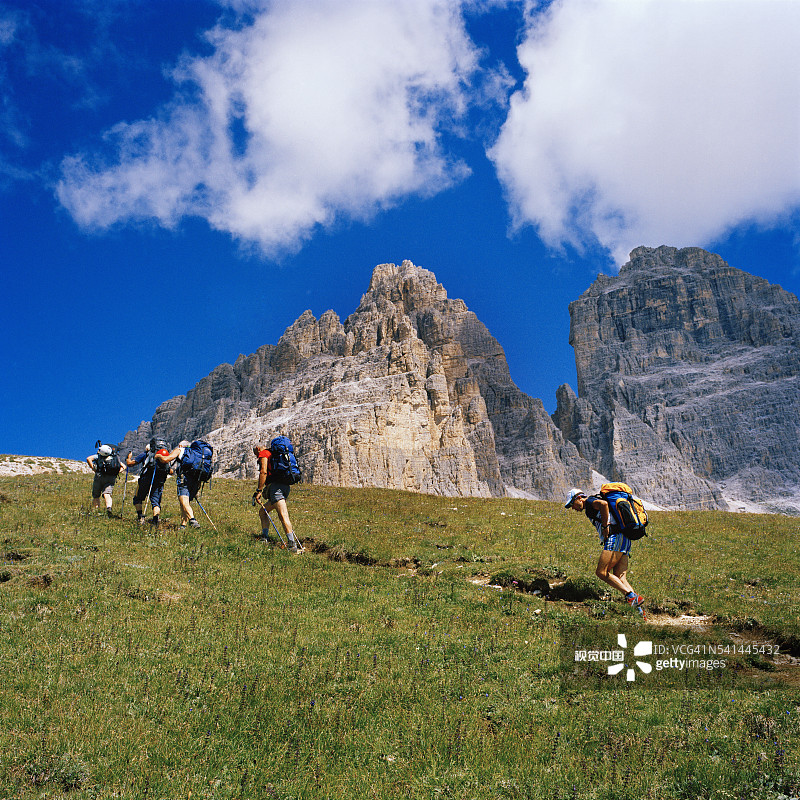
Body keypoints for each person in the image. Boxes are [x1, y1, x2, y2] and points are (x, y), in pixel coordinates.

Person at [565, 488, 645, 618]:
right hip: (625, 538)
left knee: (601, 572)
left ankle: (631, 597)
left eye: (572, 504)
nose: (573, 508)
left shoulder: (590, 502)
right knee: (620, 576)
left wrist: (605, 526)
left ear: (579, 498)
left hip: (615, 538)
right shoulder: (591, 504)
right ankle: (639, 612)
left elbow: (604, 505)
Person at [252, 444, 303, 553]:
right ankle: (264, 538)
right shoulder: (274, 454)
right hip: (285, 487)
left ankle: (292, 545)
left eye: (255, 454)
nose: (257, 456)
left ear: (257, 448)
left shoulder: (264, 453)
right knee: (263, 511)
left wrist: (259, 490)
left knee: (283, 515)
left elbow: (263, 472)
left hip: (276, 489)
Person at [125, 440, 172, 526]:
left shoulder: (146, 454)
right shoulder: (164, 456)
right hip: (159, 481)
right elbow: (171, 471)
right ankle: (155, 521)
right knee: (155, 502)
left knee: (137, 498)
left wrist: (128, 458)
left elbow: (130, 464)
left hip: (145, 479)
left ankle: (140, 517)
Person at [158, 441, 201, 530]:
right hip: (196, 480)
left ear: (181, 445)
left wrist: (158, 456)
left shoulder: (180, 449)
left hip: (184, 479)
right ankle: (183, 525)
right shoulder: (195, 453)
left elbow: (166, 459)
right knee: (184, 503)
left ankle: (193, 520)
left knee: (184, 502)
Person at [86, 444, 123, 517]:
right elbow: (123, 466)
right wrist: (117, 472)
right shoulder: (114, 458)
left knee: (96, 495)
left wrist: (93, 468)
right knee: (107, 494)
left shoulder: (99, 456)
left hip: (99, 477)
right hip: (111, 478)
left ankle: (96, 511)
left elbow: (88, 459)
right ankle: (108, 508)